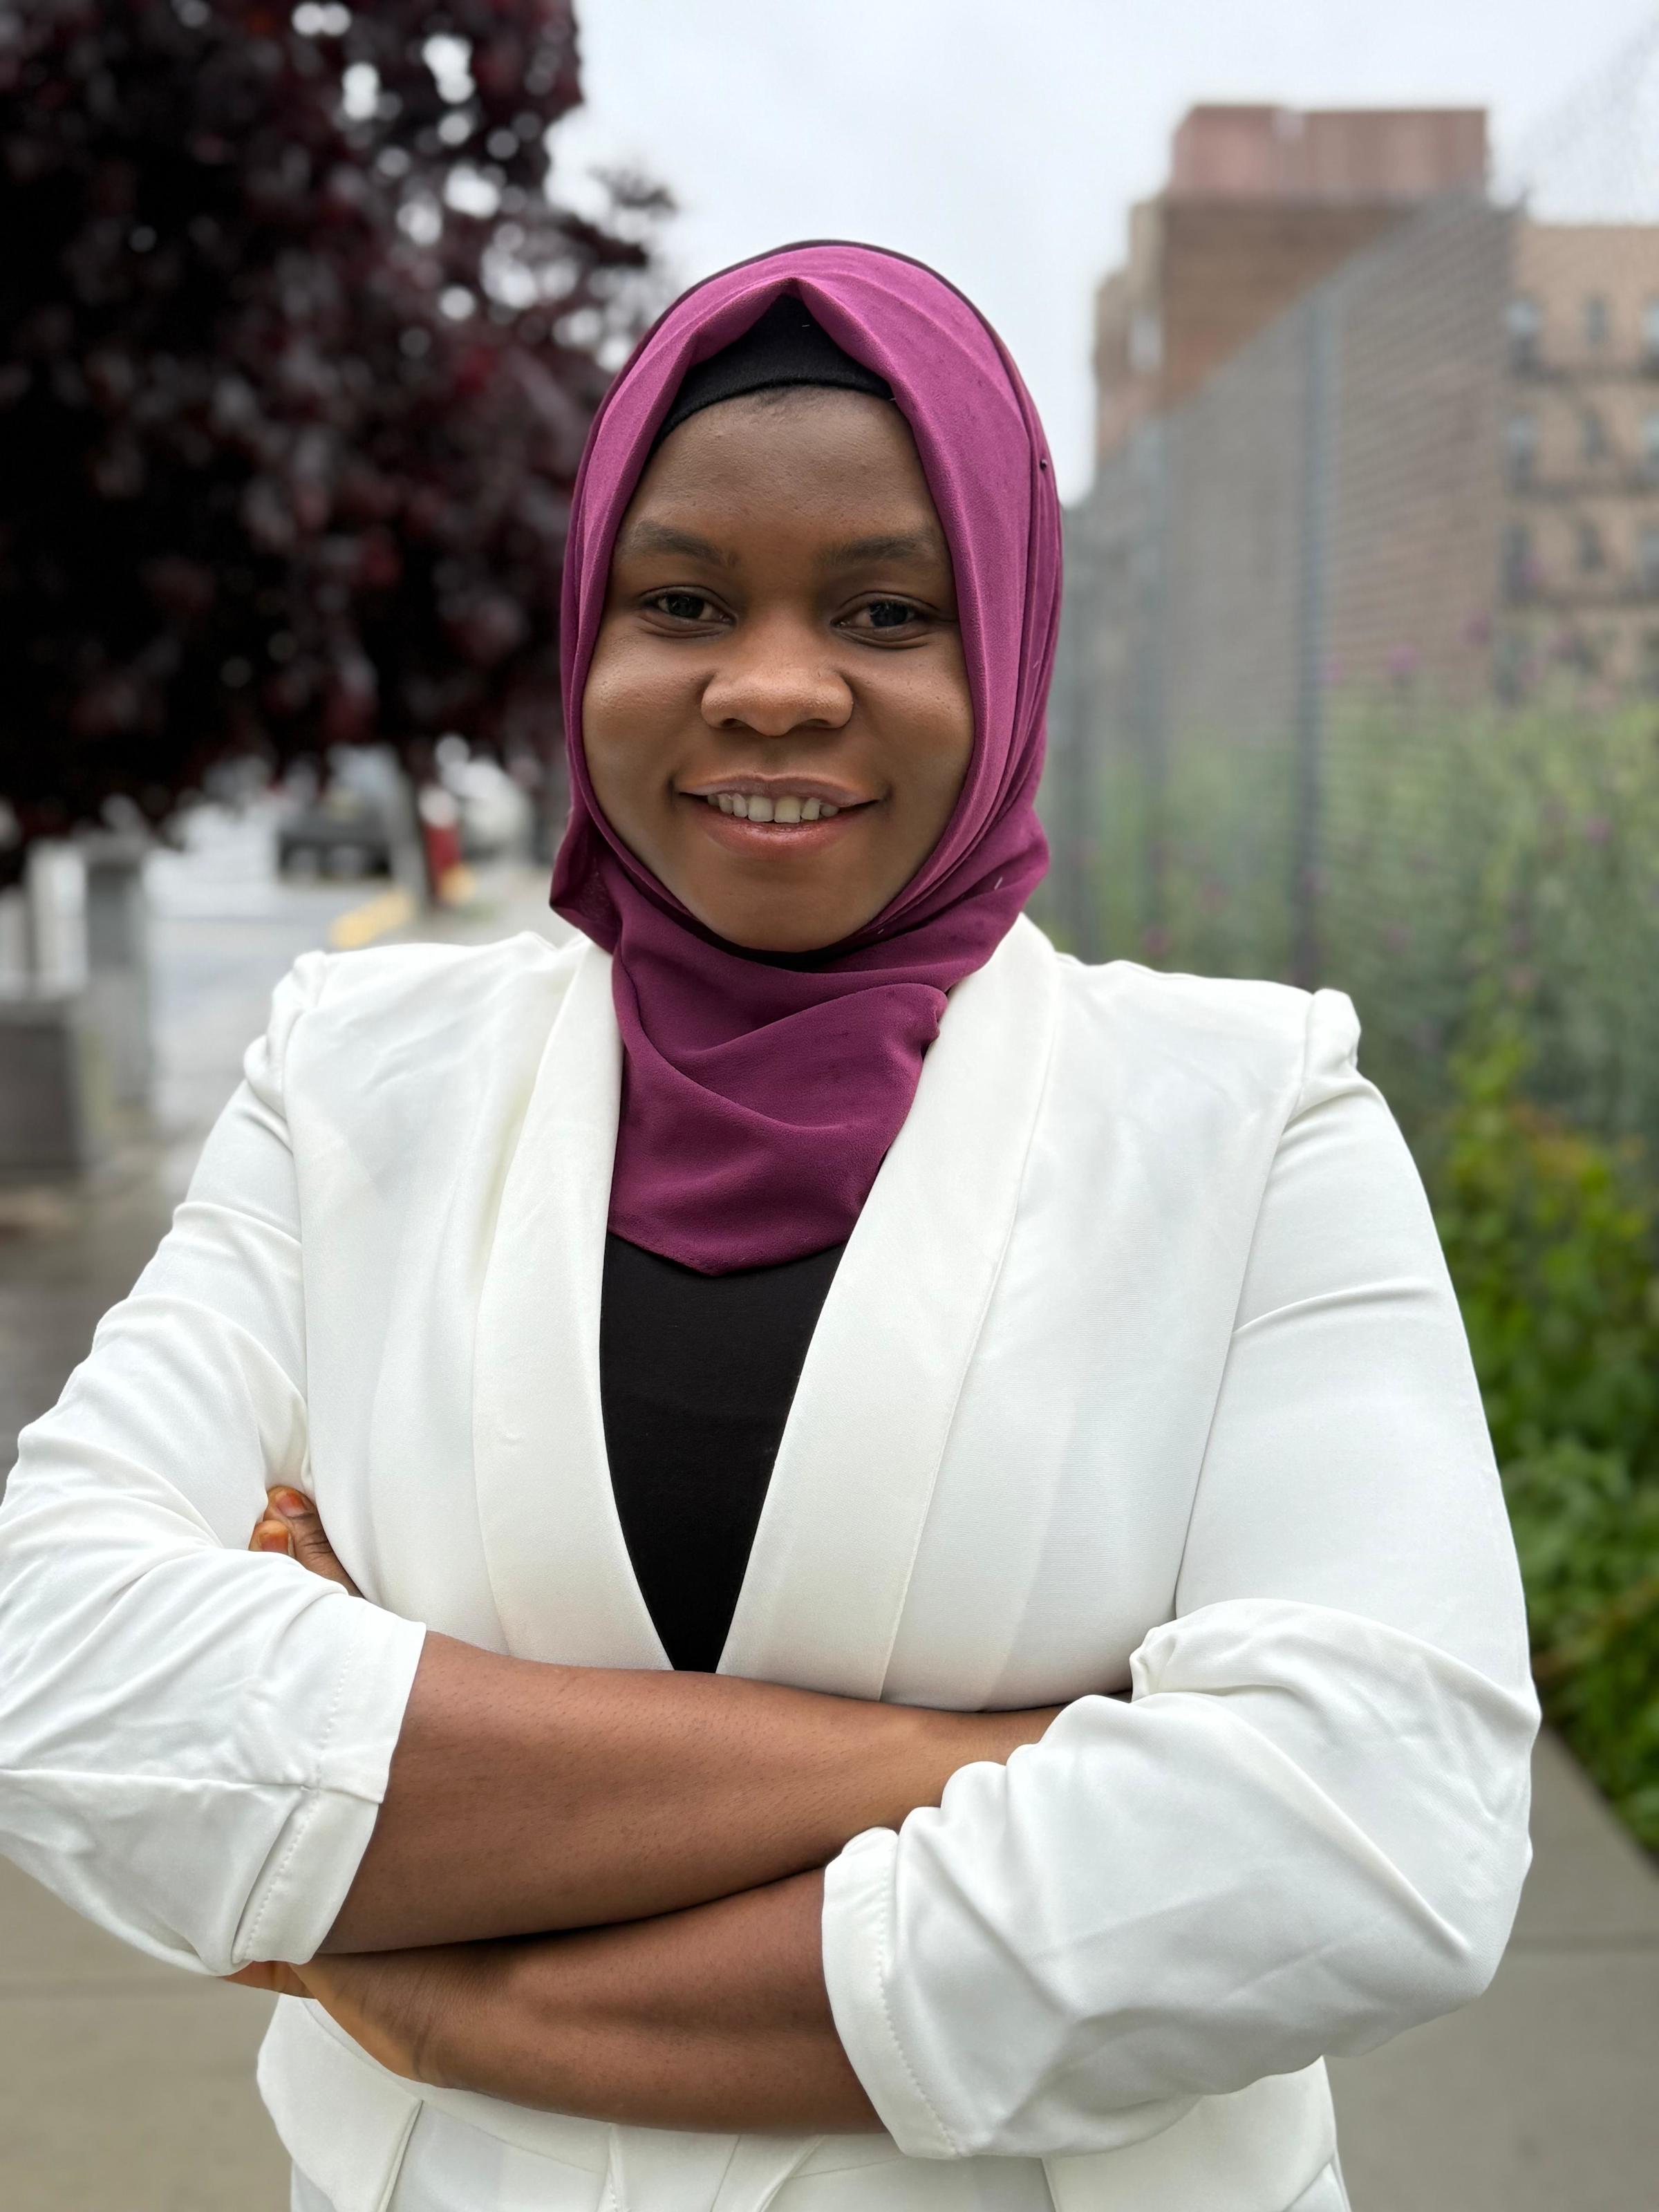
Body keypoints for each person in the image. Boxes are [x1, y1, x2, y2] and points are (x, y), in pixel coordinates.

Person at [0, 243, 1537, 2212]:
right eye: (685, 601)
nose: (776, 684)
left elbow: (1378, 1833)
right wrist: (1017, 1767)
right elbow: (61, 1673)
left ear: (1007, 648)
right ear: (590, 636)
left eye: (890, 609)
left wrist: (478, 2009)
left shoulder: (1253, 1126)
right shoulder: (355, 1081)